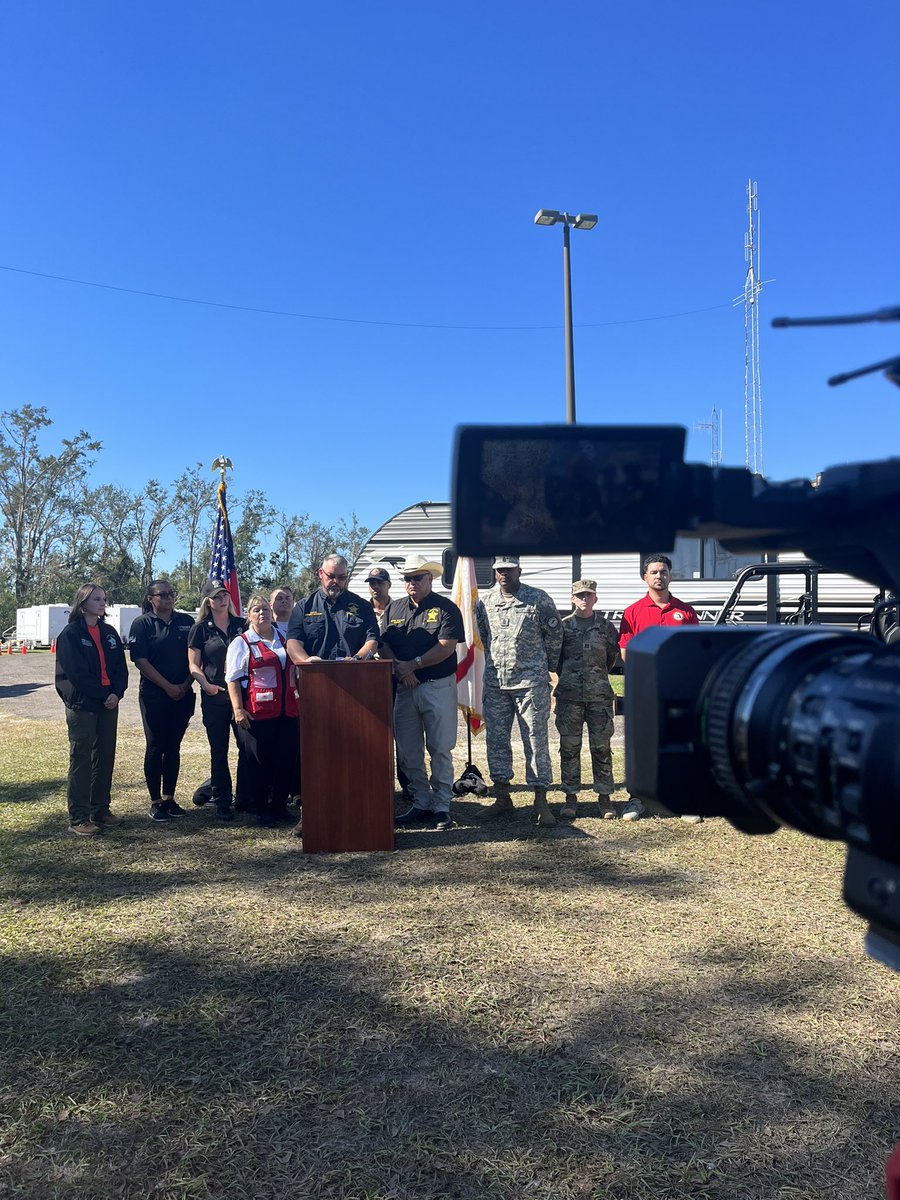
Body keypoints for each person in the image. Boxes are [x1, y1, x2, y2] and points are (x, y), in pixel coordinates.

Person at [378, 554, 464, 831]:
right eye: (407, 578)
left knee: (440, 748)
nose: (411, 583)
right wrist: (400, 670)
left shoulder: (446, 608)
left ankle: (441, 806)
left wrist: (413, 666)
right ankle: (421, 800)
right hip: (404, 689)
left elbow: (446, 646)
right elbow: (383, 644)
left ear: (430, 578)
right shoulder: (394, 609)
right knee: (407, 751)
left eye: (417, 577)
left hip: (436, 686)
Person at [475, 556, 563, 826]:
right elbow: (484, 636)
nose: (504, 575)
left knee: (536, 741)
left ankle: (541, 801)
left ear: (519, 571)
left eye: (509, 570)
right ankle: (503, 798)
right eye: (500, 570)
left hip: (530, 684)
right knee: (497, 741)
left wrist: (544, 667)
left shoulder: (538, 599)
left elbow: (555, 636)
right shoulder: (484, 601)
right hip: (496, 682)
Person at [618, 553, 701, 822]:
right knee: (642, 744)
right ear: (645, 577)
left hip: (676, 690)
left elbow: (693, 652)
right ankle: (638, 798)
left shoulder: (686, 612)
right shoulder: (632, 612)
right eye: (653, 572)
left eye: (663, 571)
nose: (659, 576)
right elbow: (625, 653)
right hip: (644, 690)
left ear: (670, 575)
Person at [55, 584, 129, 836]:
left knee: (105, 755)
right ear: (82, 602)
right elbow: (76, 674)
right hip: (83, 704)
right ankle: (79, 817)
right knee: (82, 758)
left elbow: (121, 667)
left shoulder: (109, 632)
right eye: (96, 599)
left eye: (104, 599)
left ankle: (100, 809)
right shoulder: (70, 634)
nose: (102, 603)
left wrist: (116, 693)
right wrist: (103, 694)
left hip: (108, 703)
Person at [225, 595, 299, 828]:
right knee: (259, 762)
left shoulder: (284, 639)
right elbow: (233, 679)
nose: (262, 614)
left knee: (286, 759)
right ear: (248, 615)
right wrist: (238, 709)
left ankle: (279, 807)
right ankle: (262, 809)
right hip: (257, 713)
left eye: (265, 609)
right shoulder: (241, 642)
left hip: (286, 711)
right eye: (256, 610)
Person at [129, 580, 196, 822]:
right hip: (155, 695)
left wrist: (185, 685)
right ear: (150, 598)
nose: (168, 598)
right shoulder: (142, 624)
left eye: (171, 594)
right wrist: (168, 687)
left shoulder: (186, 622)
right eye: (163, 594)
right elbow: (141, 661)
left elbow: (195, 657)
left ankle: (169, 798)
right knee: (156, 745)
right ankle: (156, 801)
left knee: (174, 746)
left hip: (183, 693)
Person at [554, 580, 621, 820]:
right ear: (572, 599)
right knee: (569, 749)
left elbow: (611, 658)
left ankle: (604, 798)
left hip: (599, 698)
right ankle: (570, 797)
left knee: (601, 748)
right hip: (569, 698)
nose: (584, 599)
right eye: (580, 595)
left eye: (589, 595)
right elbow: (556, 660)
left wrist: (594, 677)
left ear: (596, 599)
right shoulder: (563, 627)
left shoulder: (606, 627)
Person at [187, 579, 246, 821]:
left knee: (246, 748)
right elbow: (193, 664)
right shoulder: (200, 628)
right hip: (215, 696)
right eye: (216, 596)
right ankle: (222, 800)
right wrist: (206, 685)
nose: (222, 600)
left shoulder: (242, 625)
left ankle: (245, 797)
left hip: (242, 696)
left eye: (224, 595)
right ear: (207, 601)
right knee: (219, 750)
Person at [367, 564, 410, 801]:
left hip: (397, 678)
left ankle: (408, 786)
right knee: (374, 735)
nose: (376, 587)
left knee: (403, 736)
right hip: (369, 680)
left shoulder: (400, 608)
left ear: (389, 584)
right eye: (372, 584)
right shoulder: (362, 610)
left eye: (380, 583)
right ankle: (378, 785)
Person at [286, 554, 379, 664]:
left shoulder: (363, 606)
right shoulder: (304, 607)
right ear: (321, 573)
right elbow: (293, 642)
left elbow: (373, 640)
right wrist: (307, 661)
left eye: (341, 577)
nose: (336, 581)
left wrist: (358, 659)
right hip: (316, 675)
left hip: (354, 673)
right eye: (331, 576)